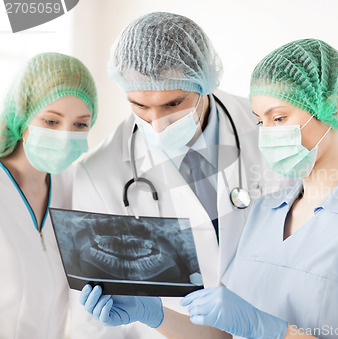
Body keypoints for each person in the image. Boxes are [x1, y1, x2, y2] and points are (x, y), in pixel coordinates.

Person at [80, 39, 338, 338]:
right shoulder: (264, 211)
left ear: (335, 108)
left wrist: (273, 330)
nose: (267, 133)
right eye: (260, 121)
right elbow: (228, 332)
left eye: (279, 118)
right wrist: (153, 314)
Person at [70, 12, 289, 339]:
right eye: (140, 106)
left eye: (173, 103)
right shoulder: (100, 173)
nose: (157, 124)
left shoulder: (265, 126)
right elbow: (98, 322)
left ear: (204, 82)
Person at [0, 52, 97, 339]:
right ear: (23, 116)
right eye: (51, 122)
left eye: (80, 124)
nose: (66, 136)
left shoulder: (74, 188)